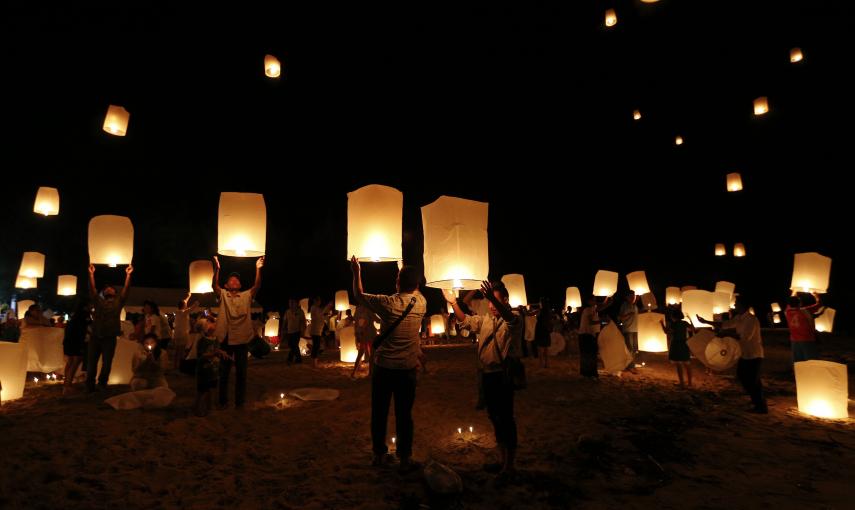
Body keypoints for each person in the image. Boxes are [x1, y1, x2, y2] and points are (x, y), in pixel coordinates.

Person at [351, 256, 426, 473]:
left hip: (384, 368)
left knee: (379, 412)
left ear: (397, 282)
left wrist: (357, 272)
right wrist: (403, 267)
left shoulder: (387, 303)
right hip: (407, 370)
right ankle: (404, 457)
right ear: (417, 285)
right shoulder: (421, 303)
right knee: (404, 415)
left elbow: (359, 295)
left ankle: (379, 454)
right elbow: (412, 286)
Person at [446, 281, 523, 479]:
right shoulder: (486, 320)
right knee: (494, 417)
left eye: (494, 300)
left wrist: (492, 300)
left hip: (503, 375)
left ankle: (510, 465)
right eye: (489, 301)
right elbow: (466, 321)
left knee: (506, 419)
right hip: (487, 375)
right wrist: (453, 303)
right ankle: (501, 459)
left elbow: (510, 320)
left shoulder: (514, 318)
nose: (490, 305)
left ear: (505, 300)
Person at [697, 296, 767, 413]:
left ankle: (761, 406)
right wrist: (706, 322)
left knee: (752, 380)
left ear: (743, 305)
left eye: (736, 303)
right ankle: (757, 401)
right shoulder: (739, 318)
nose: (734, 306)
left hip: (754, 354)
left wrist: (726, 334)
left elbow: (745, 337)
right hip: (745, 354)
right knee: (743, 377)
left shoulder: (751, 320)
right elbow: (725, 324)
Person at [212, 255, 264, 409]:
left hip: (242, 338)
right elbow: (214, 285)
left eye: (237, 280)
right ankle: (222, 401)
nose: (235, 281)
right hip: (226, 338)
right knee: (224, 372)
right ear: (226, 285)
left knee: (242, 373)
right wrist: (217, 269)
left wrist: (257, 269)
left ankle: (239, 402)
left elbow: (257, 286)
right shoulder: (222, 295)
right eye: (231, 280)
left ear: (240, 285)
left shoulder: (246, 295)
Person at [87, 263, 133, 392]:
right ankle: (89, 385)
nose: (108, 289)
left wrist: (128, 275)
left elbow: (126, 289)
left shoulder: (119, 301)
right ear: (103, 292)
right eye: (105, 288)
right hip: (95, 336)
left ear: (114, 292)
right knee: (91, 363)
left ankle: (102, 384)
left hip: (110, 337)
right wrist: (91, 274)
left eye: (111, 288)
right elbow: (92, 289)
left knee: (107, 363)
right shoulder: (98, 301)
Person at [195, 316, 228, 416]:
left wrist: (221, 352)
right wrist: (214, 353)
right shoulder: (202, 340)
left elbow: (217, 349)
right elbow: (201, 355)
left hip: (214, 369)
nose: (213, 325)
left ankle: (210, 408)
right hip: (204, 369)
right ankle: (198, 409)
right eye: (209, 324)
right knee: (202, 391)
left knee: (212, 389)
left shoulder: (215, 339)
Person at [578, 295, 613, 378]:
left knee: (590, 354)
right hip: (586, 335)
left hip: (589, 335)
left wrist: (609, 299)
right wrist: (602, 321)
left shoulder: (592, 309)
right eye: (593, 300)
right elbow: (591, 322)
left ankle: (588, 373)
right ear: (588, 301)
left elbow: (602, 306)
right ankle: (589, 373)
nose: (595, 301)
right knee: (590, 354)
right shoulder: (588, 310)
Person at [785, 291, 825, 363]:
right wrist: (816, 295)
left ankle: (798, 374)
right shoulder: (805, 310)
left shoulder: (787, 311)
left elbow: (790, 300)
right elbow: (819, 304)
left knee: (798, 362)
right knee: (812, 361)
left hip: (794, 341)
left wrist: (794, 291)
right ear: (800, 303)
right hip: (807, 339)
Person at [62, 300, 91, 396]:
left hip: (68, 341)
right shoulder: (84, 316)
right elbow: (87, 328)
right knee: (75, 362)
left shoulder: (75, 316)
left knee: (70, 362)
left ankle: (66, 384)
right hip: (76, 341)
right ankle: (68, 386)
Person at [661, 308, 694, 388]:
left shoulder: (674, 324)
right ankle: (690, 383)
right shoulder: (685, 323)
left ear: (674, 316)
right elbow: (693, 329)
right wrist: (690, 320)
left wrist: (661, 323)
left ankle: (682, 383)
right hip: (684, 344)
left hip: (676, 344)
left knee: (679, 364)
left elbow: (666, 332)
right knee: (687, 364)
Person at [173, 292, 198, 369]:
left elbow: (185, 302)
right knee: (181, 351)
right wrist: (196, 303)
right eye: (185, 304)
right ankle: (180, 366)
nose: (186, 304)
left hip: (177, 334)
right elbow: (191, 308)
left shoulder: (178, 312)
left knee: (177, 350)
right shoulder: (183, 312)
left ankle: (175, 365)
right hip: (182, 334)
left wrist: (188, 296)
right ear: (183, 306)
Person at [352, 305, 377, 378]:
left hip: (362, 335)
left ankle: (354, 372)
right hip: (370, 334)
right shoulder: (369, 309)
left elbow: (356, 324)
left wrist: (357, 334)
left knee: (360, 353)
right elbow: (376, 320)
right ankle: (370, 373)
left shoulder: (357, 310)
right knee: (371, 354)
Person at [309, 297, 333, 368]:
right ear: (315, 301)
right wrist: (328, 306)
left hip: (318, 330)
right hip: (315, 330)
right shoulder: (314, 308)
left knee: (316, 346)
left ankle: (314, 362)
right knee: (316, 346)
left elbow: (323, 314)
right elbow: (322, 313)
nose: (320, 302)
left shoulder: (317, 309)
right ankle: (314, 363)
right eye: (319, 301)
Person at [619, 291, 639, 369]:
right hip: (628, 329)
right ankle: (628, 365)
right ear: (627, 297)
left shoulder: (635, 306)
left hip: (635, 329)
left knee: (634, 349)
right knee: (629, 348)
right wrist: (628, 314)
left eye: (634, 296)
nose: (633, 298)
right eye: (631, 296)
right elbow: (621, 317)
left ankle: (631, 364)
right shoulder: (624, 306)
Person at [284, 299, 306, 365]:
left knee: (294, 345)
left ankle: (290, 358)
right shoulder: (287, 311)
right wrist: (283, 328)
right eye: (289, 303)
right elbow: (285, 320)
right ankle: (298, 358)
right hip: (289, 331)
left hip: (297, 331)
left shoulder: (300, 311)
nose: (290, 304)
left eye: (292, 303)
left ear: (296, 303)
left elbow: (303, 322)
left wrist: (303, 330)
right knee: (292, 345)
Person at [533, 299, 552, 369]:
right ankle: (547, 364)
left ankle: (541, 364)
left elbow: (529, 314)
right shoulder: (548, 312)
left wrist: (523, 309)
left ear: (542, 303)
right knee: (546, 348)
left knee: (540, 348)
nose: (539, 303)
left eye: (540, 302)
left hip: (540, 330)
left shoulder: (539, 311)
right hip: (546, 330)